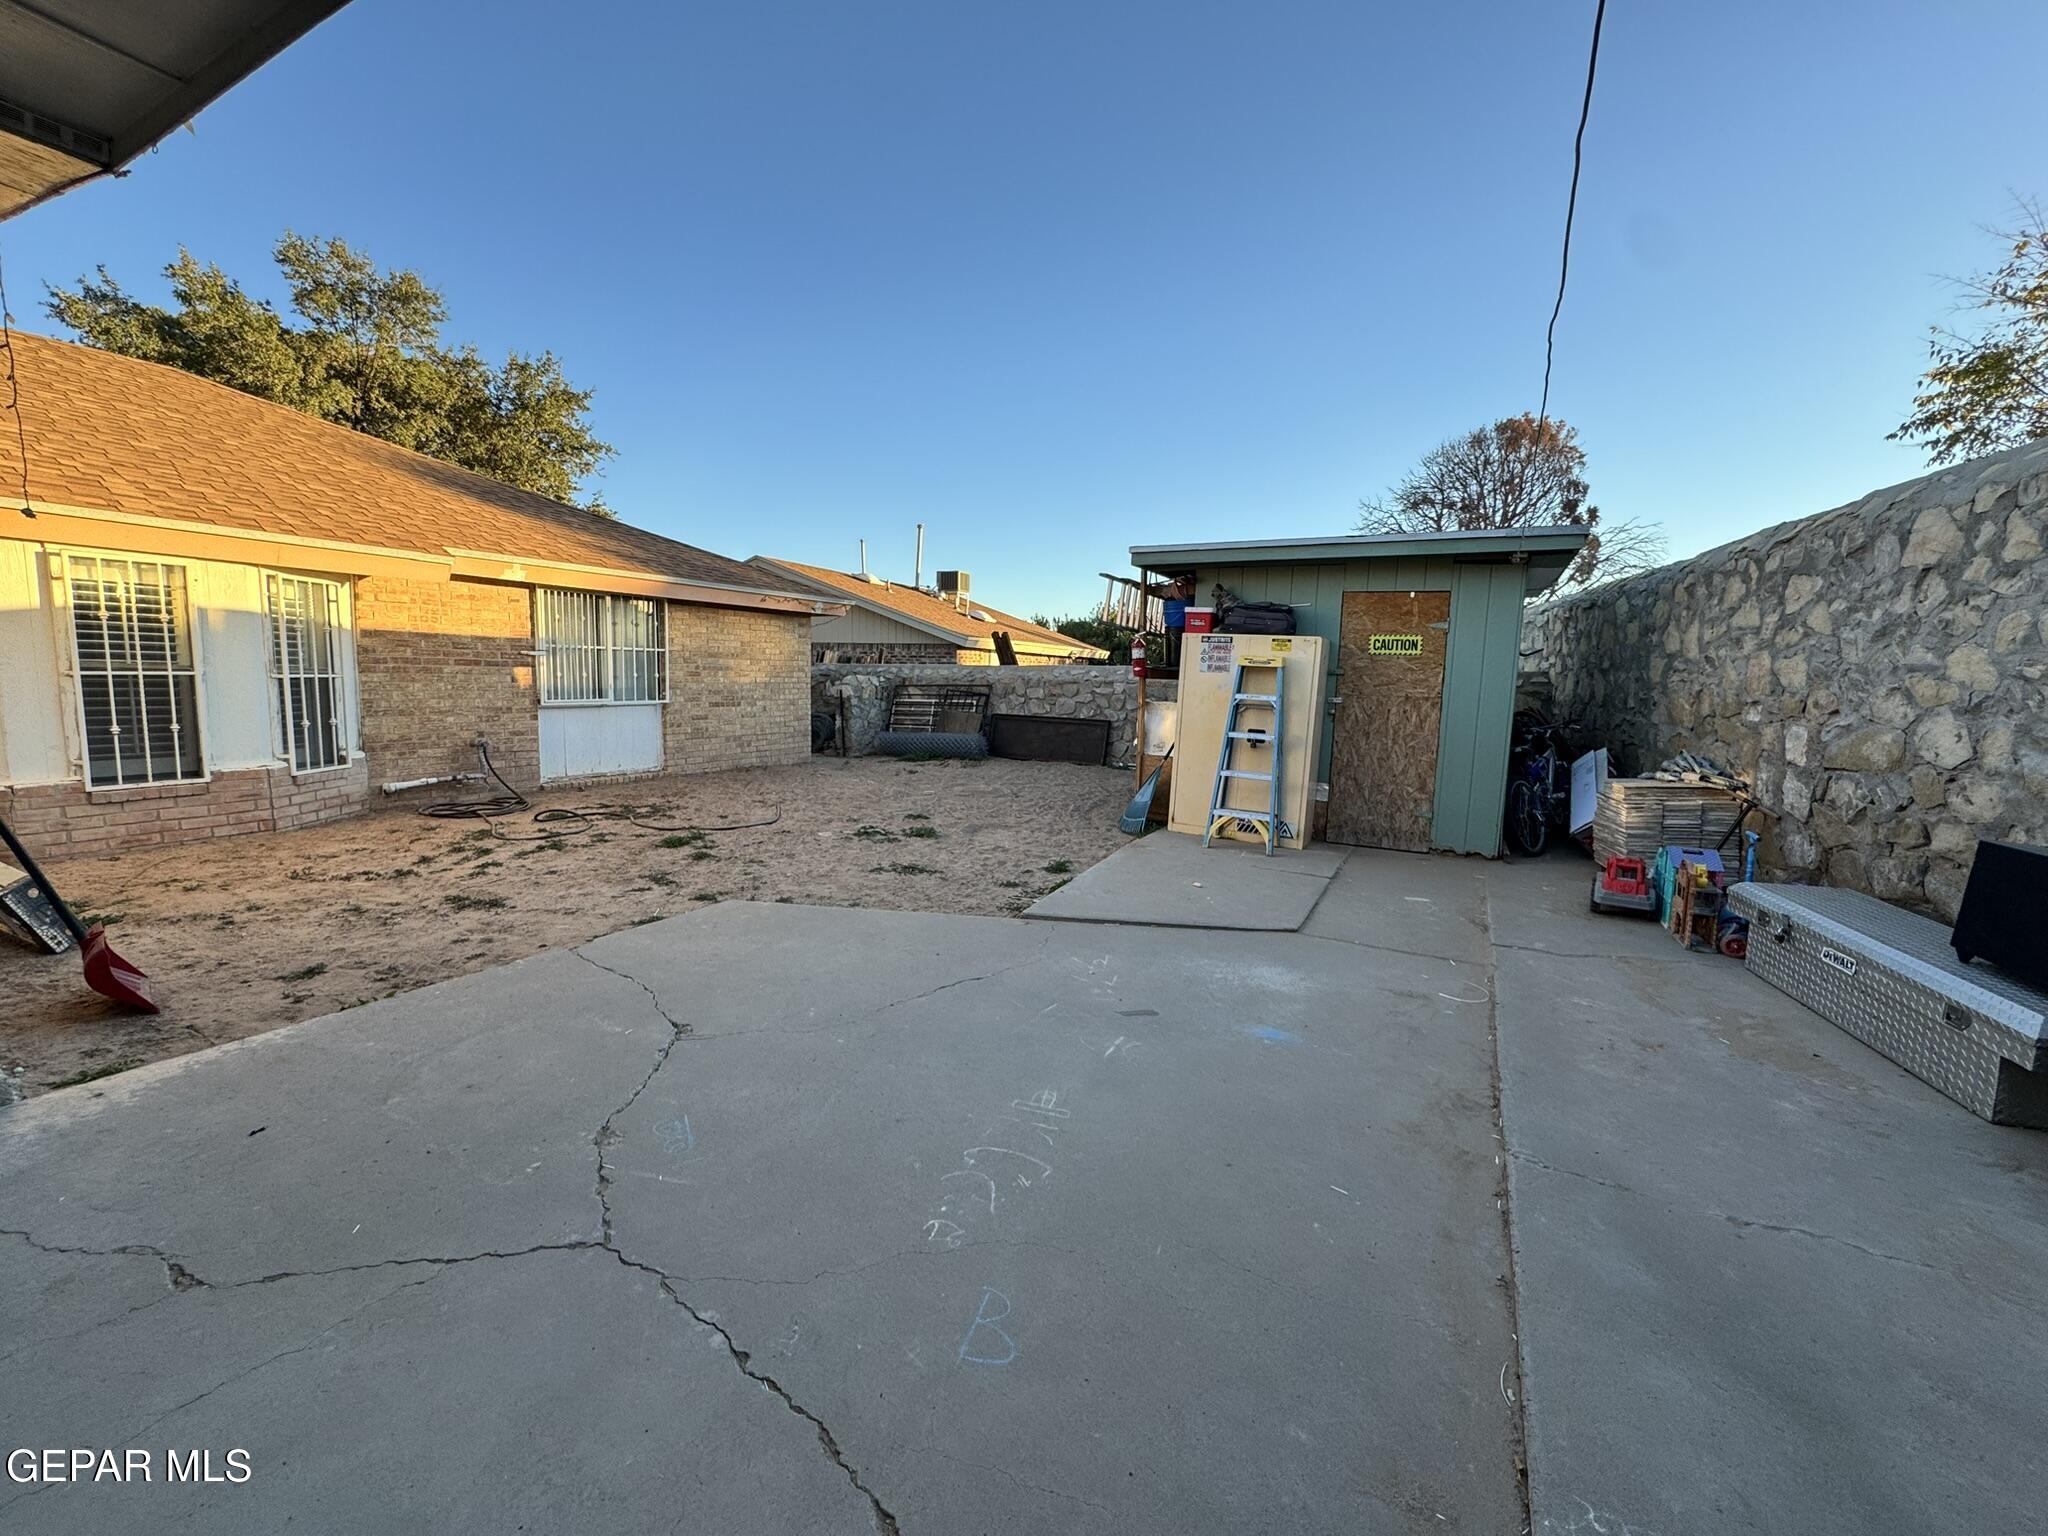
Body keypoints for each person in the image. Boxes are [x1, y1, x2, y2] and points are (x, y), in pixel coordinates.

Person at [1145, 574, 1195, 671]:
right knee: (1175, 632)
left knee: (1174, 632)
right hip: (1177, 627)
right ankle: (1174, 663)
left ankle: (1173, 663)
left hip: (1176, 626)